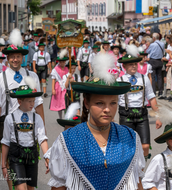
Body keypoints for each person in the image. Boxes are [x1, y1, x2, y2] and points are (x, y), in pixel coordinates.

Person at [45, 52, 145, 190]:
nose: (107, 109)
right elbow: (59, 186)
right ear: (86, 103)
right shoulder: (68, 140)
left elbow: (137, 181)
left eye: (113, 103)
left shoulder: (130, 137)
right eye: (99, 103)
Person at [0, 29, 44, 190]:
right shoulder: (1, 78)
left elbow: (38, 104)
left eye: (18, 56)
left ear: (22, 57)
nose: (15, 59)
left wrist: (42, 130)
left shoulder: (32, 76)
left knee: (30, 174)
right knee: (9, 164)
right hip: (8, 125)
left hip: (29, 126)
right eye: (12, 56)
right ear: (7, 58)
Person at [117, 44, 162, 161]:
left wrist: (158, 116)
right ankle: (130, 169)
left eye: (135, 64)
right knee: (127, 147)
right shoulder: (120, 80)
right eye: (130, 64)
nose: (133, 66)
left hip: (142, 114)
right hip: (126, 115)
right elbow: (114, 101)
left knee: (145, 146)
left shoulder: (144, 78)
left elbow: (151, 97)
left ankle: (140, 171)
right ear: (124, 66)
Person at [1, 79, 48, 190]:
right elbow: (6, 141)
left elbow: (42, 138)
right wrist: (3, 165)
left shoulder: (37, 118)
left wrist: (47, 157)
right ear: (19, 101)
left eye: (33, 100)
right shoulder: (9, 118)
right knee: (21, 188)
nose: (32, 104)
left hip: (31, 157)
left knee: (30, 188)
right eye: (29, 101)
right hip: (16, 158)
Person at [50, 49, 69, 119]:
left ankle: (66, 116)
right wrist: (53, 89)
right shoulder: (56, 69)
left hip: (65, 87)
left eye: (63, 62)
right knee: (59, 102)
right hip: (58, 87)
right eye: (60, 62)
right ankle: (60, 117)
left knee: (65, 101)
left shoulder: (67, 69)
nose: (62, 63)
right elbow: (53, 79)